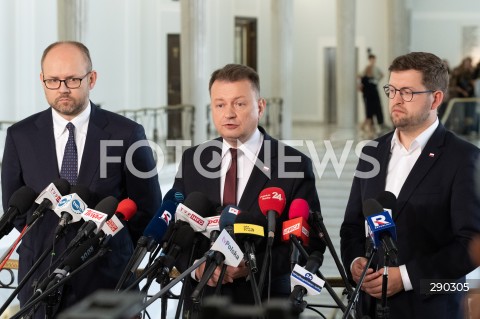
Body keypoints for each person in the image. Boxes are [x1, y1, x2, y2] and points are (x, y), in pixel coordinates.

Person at [1, 41, 162, 317]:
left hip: (107, 283)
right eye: (53, 80)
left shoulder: (127, 134)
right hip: (39, 284)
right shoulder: (20, 135)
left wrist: (109, 250)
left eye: (73, 79)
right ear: (42, 80)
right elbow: (16, 209)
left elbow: (147, 208)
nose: (63, 88)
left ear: (92, 79)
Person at [172, 64, 323, 317]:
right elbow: (176, 231)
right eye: (220, 105)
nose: (228, 114)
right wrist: (198, 269)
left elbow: (309, 245)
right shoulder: (192, 160)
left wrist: (251, 266)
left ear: (260, 107)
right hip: (203, 303)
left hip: (266, 304)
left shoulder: (293, 165)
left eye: (239, 104)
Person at [340, 52, 480, 319]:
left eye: (407, 92)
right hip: (369, 309)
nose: (396, 100)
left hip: (430, 308)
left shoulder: (464, 158)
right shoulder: (372, 152)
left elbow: (470, 245)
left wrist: (405, 277)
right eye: (391, 90)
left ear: (436, 98)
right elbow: (352, 225)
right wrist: (355, 262)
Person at [358, 54, 386, 137]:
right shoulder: (365, 72)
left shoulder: (376, 70)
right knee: (369, 112)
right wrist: (360, 85)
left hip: (373, 93)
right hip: (367, 95)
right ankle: (367, 128)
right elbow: (359, 77)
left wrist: (376, 80)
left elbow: (381, 75)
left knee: (375, 110)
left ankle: (368, 127)